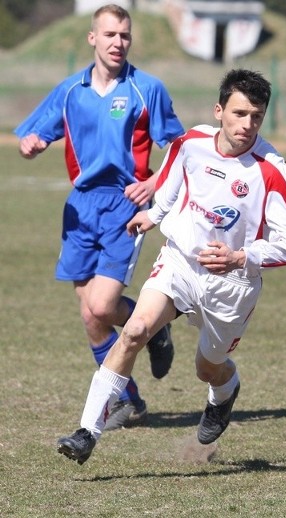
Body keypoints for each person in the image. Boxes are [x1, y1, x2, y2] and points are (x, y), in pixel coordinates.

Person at [55, 68, 286, 465]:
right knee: (135, 330)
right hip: (180, 263)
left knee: (208, 368)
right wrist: (154, 214)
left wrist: (241, 256)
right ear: (219, 110)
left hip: (232, 285)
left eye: (256, 116)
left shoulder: (271, 170)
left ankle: (224, 395)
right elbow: (172, 183)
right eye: (240, 113)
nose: (247, 124)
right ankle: (87, 431)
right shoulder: (191, 143)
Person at [14, 4, 185, 430]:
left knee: (104, 304)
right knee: (90, 315)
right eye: (109, 35)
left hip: (125, 206)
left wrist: (154, 184)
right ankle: (127, 400)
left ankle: (154, 328)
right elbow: (33, 134)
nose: (117, 43)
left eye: (124, 36)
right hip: (80, 207)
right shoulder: (71, 90)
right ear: (92, 38)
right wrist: (32, 144)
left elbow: (180, 150)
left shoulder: (148, 89)